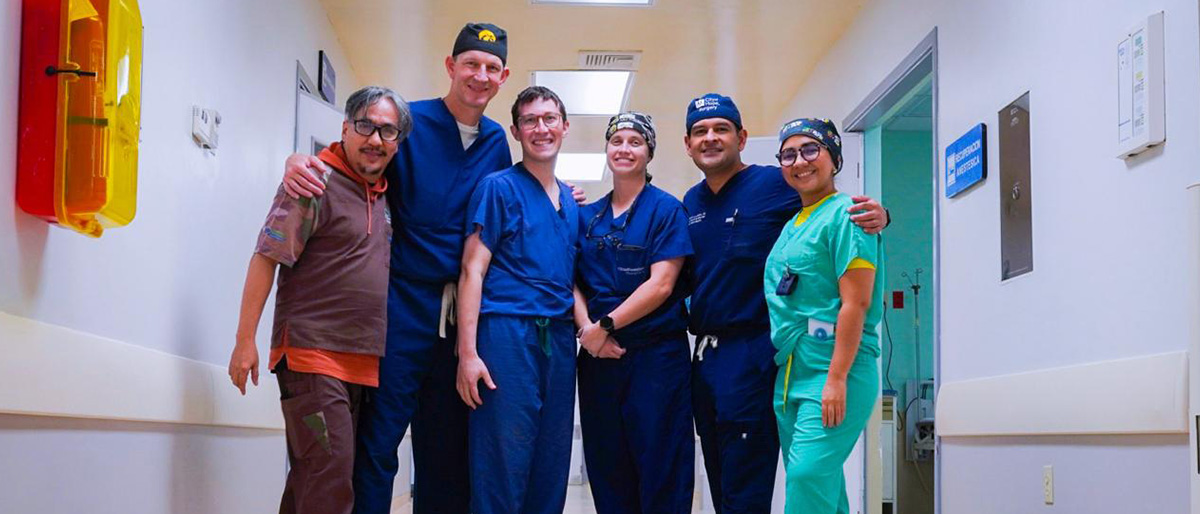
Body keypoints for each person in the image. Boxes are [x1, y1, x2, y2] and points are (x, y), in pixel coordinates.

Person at [280, 23, 574, 514]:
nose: (479, 76)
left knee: (446, 452)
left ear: (503, 77)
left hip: (461, 317)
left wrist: (562, 195)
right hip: (401, 306)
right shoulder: (410, 123)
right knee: (379, 441)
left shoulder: (497, 141)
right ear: (451, 67)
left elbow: (511, 203)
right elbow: (360, 164)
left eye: (490, 68)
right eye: (470, 65)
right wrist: (299, 160)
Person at [680, 94, 888, 514]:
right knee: (737, 475)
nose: (799, 163)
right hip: (724, 358)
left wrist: (881, 216)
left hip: (760, 353)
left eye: (721, 128)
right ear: (687, 144)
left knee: (787, 478)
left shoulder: (777, 185)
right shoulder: (692, 203)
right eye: (700, 131)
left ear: (741, 137)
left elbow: (847, 219)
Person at [227, 86, 412, 514]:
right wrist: (244, 341)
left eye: (388, 131)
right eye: (365, 126)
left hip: (361, 364)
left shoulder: (385, 194)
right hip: (311, 357)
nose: (375, 139)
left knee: (315, 480)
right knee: (329, 483)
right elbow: (266, 258)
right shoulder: (311, 181)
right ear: (345, 128)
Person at [456, 86, 580, 514]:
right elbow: (473, 270)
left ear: (565, 127)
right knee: (503, 462)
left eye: (549, 118)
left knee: (551, 461)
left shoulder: (571, 201)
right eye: (530, 120)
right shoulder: (498, 188)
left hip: (561, 340)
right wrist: (467, 353)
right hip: (507, 333)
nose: (540, 128)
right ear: (515, 131)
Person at [573, 112, 695, 514]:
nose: (625, 149)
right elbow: (571, 281)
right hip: (599, 362)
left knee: (661, 467)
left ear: (649, 152)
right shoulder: (586, 216)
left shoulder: (666, 210)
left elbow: (661, 284)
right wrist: (589, 333)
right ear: (607, 149)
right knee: (608, 467)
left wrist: (605, 326)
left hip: (655, 359)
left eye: (635, 141)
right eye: (617, 140)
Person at [764, 118, 884, 514]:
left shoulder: (849, 215)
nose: (800, 161)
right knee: (823, 485)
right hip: (792, 371)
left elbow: (857, 303)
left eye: (811, 150)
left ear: (834, 157)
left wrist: (836, 378)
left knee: (806, 475)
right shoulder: (792, 223)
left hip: (835, 365)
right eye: (789, 154)